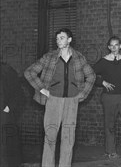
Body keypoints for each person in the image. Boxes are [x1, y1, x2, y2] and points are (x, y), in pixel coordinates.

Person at [24, 28, 96, 167]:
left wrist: (83, 94)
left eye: (62, 38)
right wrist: (42, 88)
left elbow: (91, 76)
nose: (58, 41)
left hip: (71, 102)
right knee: (50, 137)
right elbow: (30, 72)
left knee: (68, 138)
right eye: (57, 38)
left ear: (69, 40)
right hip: (53, 101)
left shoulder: (79, 57)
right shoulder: (49, 57)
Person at [93, 36, 121, 158]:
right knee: (110, 125)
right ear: (108, 47)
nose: (114, 47)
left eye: (116, 45)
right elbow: (89, 74)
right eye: (111, 45)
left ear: (120, 46)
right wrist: (102, 82)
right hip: (109, 97)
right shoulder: (103, 61)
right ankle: (111, 151)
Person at [1, 61, 24, 166]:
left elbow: (18, 93)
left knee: (6, 149)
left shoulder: (6, 70)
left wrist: (8, 108)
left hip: (4, 117)